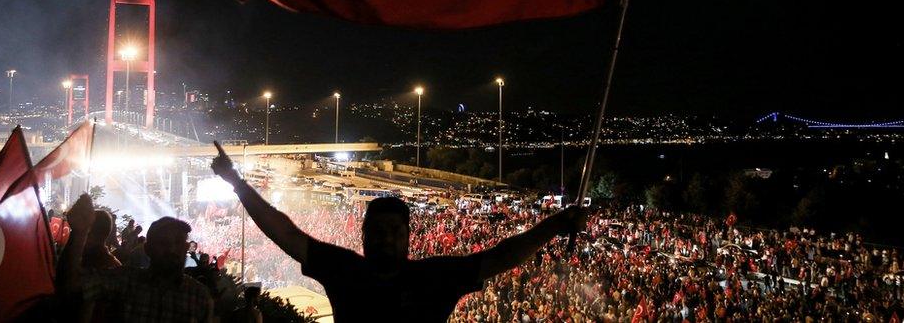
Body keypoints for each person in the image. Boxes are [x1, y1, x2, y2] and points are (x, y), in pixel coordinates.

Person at [210, 141, 585, 323]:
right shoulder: (345, 270)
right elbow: (285, 233)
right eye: (378, 230)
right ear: (363, 233)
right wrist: (236, 183)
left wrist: (553, 224)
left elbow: (502, 256)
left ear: (408, 236)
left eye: (394, 230)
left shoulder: (435, 277)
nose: (386, 238)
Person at [58, 194, 214, 322]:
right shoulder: (124, 280)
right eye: (163, 242)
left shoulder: (200, 297)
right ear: (147, 249)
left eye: (179, 242)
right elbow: (72, 286)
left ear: (187, 247)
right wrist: (79, 233)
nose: (172, 249)